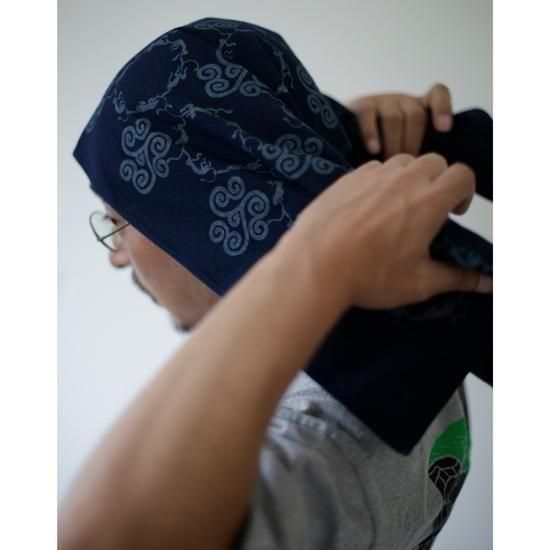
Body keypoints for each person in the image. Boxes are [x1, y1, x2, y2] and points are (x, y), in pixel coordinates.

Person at [60, 18, 492, 549]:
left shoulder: (319, 441)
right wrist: (328, 161)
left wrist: (313, 259)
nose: (117, 257)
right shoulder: (411, 325)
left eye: (118, 221)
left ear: (196, 214)